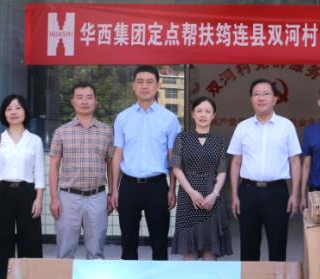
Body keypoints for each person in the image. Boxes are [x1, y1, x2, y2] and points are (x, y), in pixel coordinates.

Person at [111, 65, 181, 260]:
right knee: (128, 243)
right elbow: (117, 154)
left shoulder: (169, 119)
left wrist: (172, 188)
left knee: (159, 243)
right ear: (133, 86)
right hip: (128, 186)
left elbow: (173, 157)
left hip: (157, 187)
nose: (144, 86)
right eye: (140, 82)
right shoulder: (123, 118)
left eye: (150, 82)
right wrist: (114, 189)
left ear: (158, 85)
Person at [228, 78, 301, 262]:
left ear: (275, 99)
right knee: (248, 247)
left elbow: (295, 161)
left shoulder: (286, 126)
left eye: (266, 94)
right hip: (248, 191)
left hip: (277, 192)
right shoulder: (242, 127)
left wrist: (295, 194)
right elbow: (236, 162)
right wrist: (234, 195)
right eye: (257, 94)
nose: (261, 98)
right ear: (251, 99)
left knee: (278, 246)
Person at [48, 82, 114, 260]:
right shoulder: (61, 132)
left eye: (89, 97)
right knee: (65, 252)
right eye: (80, 97)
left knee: (96, 252)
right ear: (72, 101)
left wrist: (112, 193)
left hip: (97, 197)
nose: (84, 102)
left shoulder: (106, 131)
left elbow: (111, 164)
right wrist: (54, 198)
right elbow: (53, 166)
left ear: (96, 101)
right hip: (68, 197)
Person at [0, 94, 44, 279]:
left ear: (25, 111)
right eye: (9, 109)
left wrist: (39, 199)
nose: (13, 112)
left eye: (18, 108)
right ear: (4, 113)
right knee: (1, 238)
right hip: (2, 192)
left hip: (27, 192)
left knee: (30, 238)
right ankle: (2, 278)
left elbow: (39, 172)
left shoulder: (35, 140)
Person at [170, 96, 232, 260]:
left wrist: (214, 194)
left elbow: (222, 171)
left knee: (210, 250)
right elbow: (176, 167)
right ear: (193, 114)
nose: (203, 115)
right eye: (199, 111)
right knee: (189, 251)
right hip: (188, 196)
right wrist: (191, 192)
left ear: (213, 115)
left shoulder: (220, 140)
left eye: (207, 111)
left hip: (212, 196)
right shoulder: (182, 138)